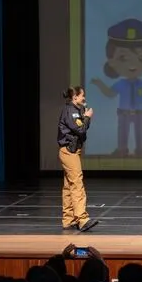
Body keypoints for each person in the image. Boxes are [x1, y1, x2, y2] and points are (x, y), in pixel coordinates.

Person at [57, 86, 98, 232]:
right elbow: (80, 129)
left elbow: (82, 129)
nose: (84, 98)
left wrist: (85, 116)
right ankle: (82, 219)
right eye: (82, 96)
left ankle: (68, 219)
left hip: (71, 151)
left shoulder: (74, 110)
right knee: (77, 183)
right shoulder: (71, 111)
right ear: (75, 97)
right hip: (69, 151)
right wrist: (87, 116)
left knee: (69, 185)